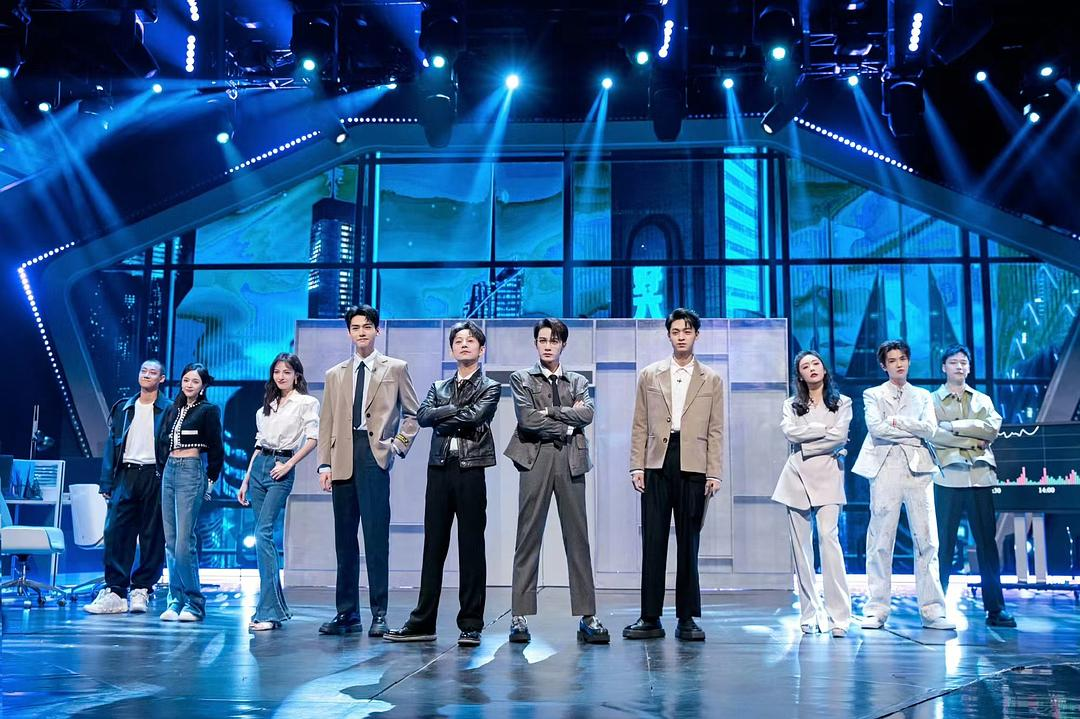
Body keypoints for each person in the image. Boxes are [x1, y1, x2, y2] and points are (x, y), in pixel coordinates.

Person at [384, 321, 500, 646]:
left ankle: (471, 623)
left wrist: (443, 415)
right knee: (433, 546)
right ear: (452, 349)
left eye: (470, 341)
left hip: (471, 470)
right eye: (458, 341)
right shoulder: (438, 386)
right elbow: (422, 417)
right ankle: (423, 622)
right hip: (438, 469)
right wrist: (453, 410)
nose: (464, 344)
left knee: (471, 546)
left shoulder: (490, 386)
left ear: (481, 349)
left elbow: (476, 417)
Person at [505, 318, 609, 645]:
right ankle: (519, 615)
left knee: (578, 537)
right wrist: (566, 421)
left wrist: (549, 413)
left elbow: (587, 414)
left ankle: (588, 615)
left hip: (571, 459)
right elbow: (527, 420)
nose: (548, 345)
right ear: (535, 343)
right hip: (535, 458)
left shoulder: (577, 381)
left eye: (554, 340)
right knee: (528, 535)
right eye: (542, 340)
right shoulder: (521, 378)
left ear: (563, 344)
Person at [317, 305, 420, 637]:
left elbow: (413, 414)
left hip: (374, 455)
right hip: (342, 457)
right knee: (344, 541)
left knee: (376, 538)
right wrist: (324, 463)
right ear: (349, 332)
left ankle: (379, 613)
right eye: (355, 327)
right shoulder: (335, 374)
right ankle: (347, 613)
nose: (361, 332)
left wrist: (397, 445)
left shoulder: (395, 368)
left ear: (377, 330)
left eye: (366, 327)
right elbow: (326, 421)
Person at [624, 308, 724, 642]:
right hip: (657, 461)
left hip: (694, 462)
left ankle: (687, 618)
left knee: (688, 542)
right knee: (653, 540)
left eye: (687, 331)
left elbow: (716, 429)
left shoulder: (711, 378)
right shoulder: (650, 374)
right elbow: (639, 423)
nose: (681, 336)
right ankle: (650, 617)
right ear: (668, 335)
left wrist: (714, 471)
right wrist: (637, 465)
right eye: (676, 331)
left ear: (696, 335)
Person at [851, 340, 954, 631]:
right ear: (884, 365)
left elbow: (930, 430)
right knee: (881, 541)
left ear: (908, 361)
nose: (899, 364)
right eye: (892, 360)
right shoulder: (873, 394)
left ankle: (933, 611)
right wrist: (911, 430)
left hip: (919, 469)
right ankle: (876, 609)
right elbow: (876, 428)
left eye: (903, 359)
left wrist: (897, 422)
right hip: (885, 468)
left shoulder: (922, 395)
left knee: (927, 540)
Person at [929, 344, 1016, 628]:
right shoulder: (931, 401)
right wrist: (971, 435)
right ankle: (936, 609)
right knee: (943, 545)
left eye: (964, 362)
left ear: (969, 367)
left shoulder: (982, 399)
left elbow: (991, 430)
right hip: (948, 477)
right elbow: (934, 434)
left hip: (980, 476)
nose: (959, 366)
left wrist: (953, 427)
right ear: (943, 367)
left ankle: (996, 609)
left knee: (987, 545)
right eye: (953, 362)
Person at [771, 350, 853, 637]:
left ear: (824, 369)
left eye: (816, 363)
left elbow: (840, 436)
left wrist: (807, 443)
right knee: (801, 550)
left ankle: (839, 617)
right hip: (796, 476)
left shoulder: (842, 402)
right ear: (800, 375)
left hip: (829, 473)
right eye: (805, 366)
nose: (812, 369)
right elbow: (790, 433)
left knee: (829, 541)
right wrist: (822, 430)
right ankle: (809, 614)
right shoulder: (791, 405)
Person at [238, 353, 320, 631]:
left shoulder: (306, 403)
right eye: (277, 371)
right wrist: (246, 479)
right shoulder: (267, 406)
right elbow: (258, 444)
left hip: (280, 467)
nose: (281, 376)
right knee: (263, 538)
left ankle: (268, 612)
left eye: (287, 371)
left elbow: (313, 439)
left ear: (297, 375)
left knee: (263, 534)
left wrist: (289, 464)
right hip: (259, 466)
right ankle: (274, 610)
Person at [85, 360, 171, 615]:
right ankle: (115, 591)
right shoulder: (124, 407)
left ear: (162, 379)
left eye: (153, 372)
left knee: (152, 534)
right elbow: (112, 445)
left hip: (155, 475)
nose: (147, 375)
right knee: (116, 532)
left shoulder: (169, 409)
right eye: (144, 371)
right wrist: (106, 481)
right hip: (126, 474)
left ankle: (142, 588)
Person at [158, 362, 224, 622]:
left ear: (203, 385)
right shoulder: (172, 409)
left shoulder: (208, 410)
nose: (189, 385)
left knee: (184, 542)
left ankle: (194, 603)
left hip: (191, 470)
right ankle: (175, 601)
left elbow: (217, 447)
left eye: (195, 381)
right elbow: (162, 441)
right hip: (170, 470)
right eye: (186, 380)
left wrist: (211, 478)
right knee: (171, 541)